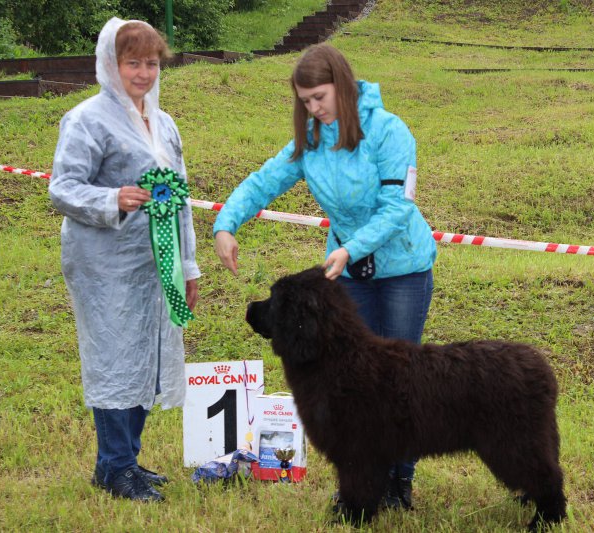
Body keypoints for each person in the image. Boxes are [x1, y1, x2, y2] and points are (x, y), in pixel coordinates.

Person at [213, 43, 437, 510]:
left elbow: (398, 207)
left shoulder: (390, 131)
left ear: (343, 85)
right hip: (347, 272)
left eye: (319, 97)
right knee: (350, 385)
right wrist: (225, 224)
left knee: (400, 381)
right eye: (305, 101)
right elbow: (263, 181)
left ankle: (399, 484)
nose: (312, 109)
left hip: (402, 270)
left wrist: (352, 247)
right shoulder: (310, 141)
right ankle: (359, 484)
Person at [49, 17, 200, 502]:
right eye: (133, 62)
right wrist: (114, 198)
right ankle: (117, 469)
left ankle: (120, 461)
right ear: (110, 64)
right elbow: (63, 188)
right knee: (116, 358)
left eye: (151, 63)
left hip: (158, 263)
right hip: (104, 263)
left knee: (150, 358)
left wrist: (189, 267)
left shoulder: (166, 122)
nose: (143, 72)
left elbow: (180, 199)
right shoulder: (86, 119)